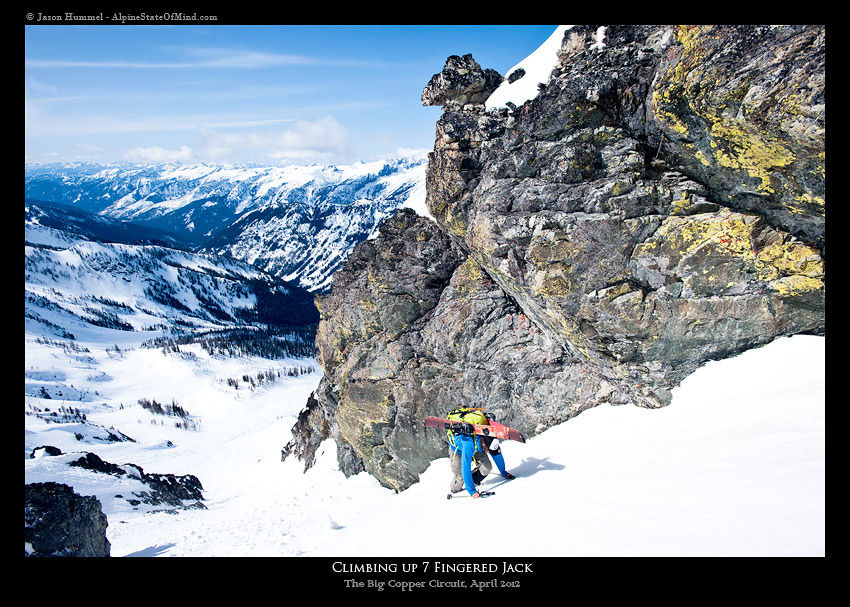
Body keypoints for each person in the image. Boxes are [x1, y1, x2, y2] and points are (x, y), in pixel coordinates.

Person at [447, 408, 515, 498]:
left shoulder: (490, 438)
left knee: (487, 468)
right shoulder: (468, 444)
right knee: (460, 475)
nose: (488, 452)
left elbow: (497, 456)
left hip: (477, 447)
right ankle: (458, 485)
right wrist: (472, 491)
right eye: (488, 450)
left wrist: (504, 473)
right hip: (459, 450)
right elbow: (465, 466)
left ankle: (473, 479)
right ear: (484, 444)